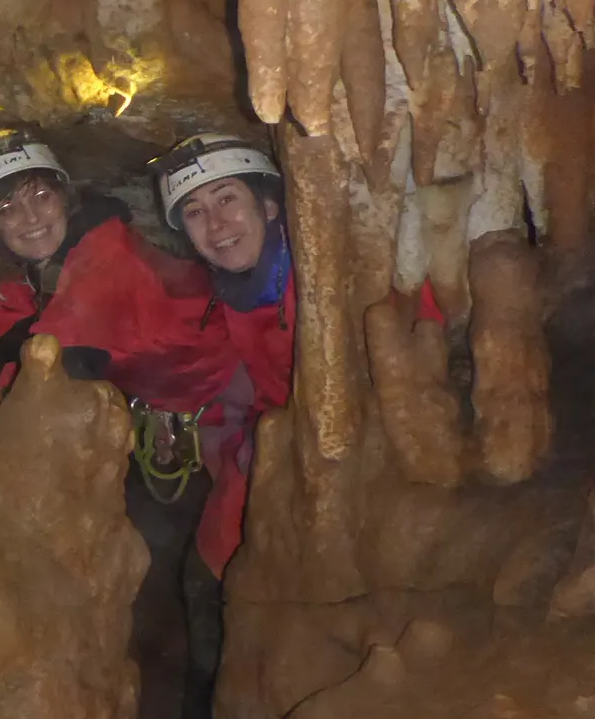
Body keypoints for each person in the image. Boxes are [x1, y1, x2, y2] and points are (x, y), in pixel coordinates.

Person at [152, 132, 444, 716]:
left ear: (269, 204)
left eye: (227, 198)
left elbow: (425, 365)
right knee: (213, 636)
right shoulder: (217, 301)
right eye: (195, 211)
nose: (215, 223)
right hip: (244, 524)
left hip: (361, 520)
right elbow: (208, 392)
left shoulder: (353, 281)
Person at [0, 128, 230, 400]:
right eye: (7, 210)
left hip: (218, 405)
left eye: (42, 197)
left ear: (64, 198)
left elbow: (62, 356)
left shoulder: (106, 248)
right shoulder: (18, 278)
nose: (31, 218)